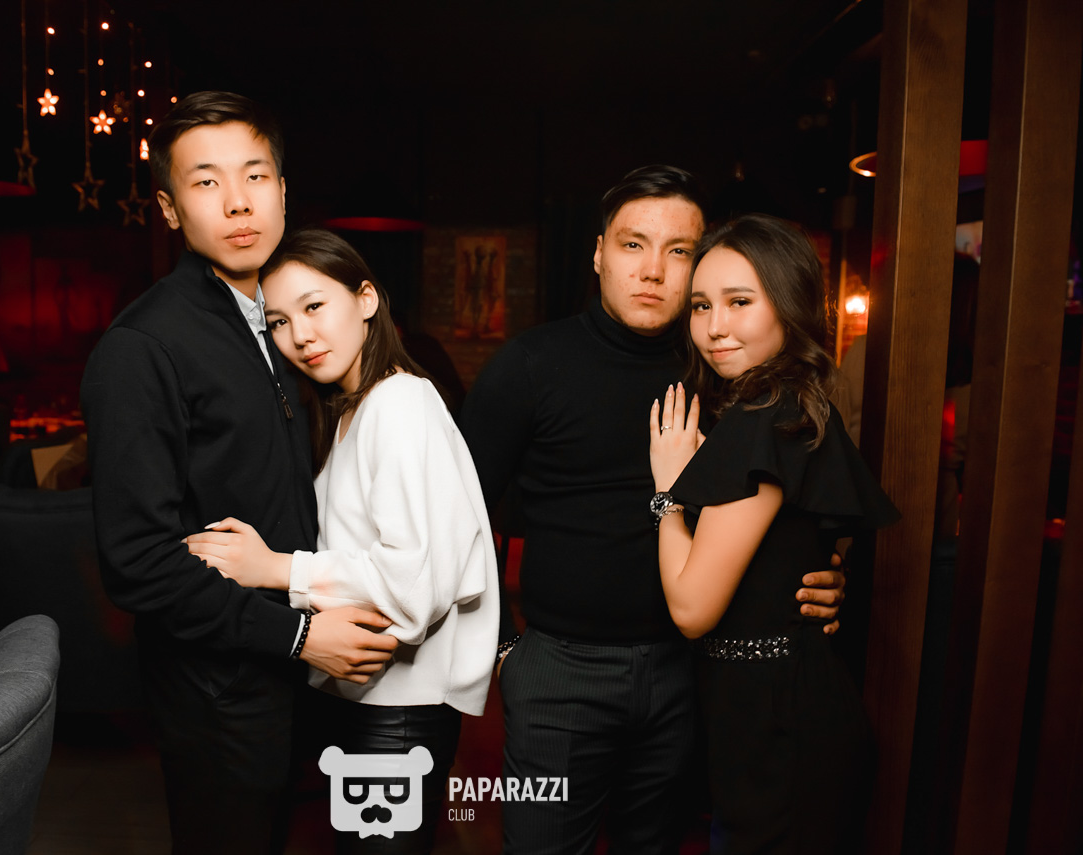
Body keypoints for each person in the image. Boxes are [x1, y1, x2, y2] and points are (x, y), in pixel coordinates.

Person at [460, 165, 848, 854]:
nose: (653, 270)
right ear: (599, 253)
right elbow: (462, 516)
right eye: (634, 244)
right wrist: (504, 647)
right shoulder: (530, 365)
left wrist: (823, 573)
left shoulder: (721, 366)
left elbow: (777, 498)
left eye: (679, 251)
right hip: (561, 669)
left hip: (687, 671)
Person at [80, 93, 399, 855]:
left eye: (255, 176)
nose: (237, 201)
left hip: (306, 670)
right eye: (205, 182)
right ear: (169, 208)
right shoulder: (142, 347)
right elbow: (137, 561)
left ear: (283, 190)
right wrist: (298, 635)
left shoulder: (289, 324)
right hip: (219, 689)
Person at [185, 228, 499, 853]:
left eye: (314, 306)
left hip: (398, 714)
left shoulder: (400, 403)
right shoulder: (352, 408)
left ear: (366, 299)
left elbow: (412, 587)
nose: (300, 334)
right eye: (279, 321)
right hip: (370, 703)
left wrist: (276, 569)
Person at [649, 214, 898, 854]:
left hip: (781, 729)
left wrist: (668, 493)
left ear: (788, 305)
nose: (715, 326)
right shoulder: (788, 405)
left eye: (740, 302)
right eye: (701, 305)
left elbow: (692, 610)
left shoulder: (763, 418)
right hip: (773, 717)